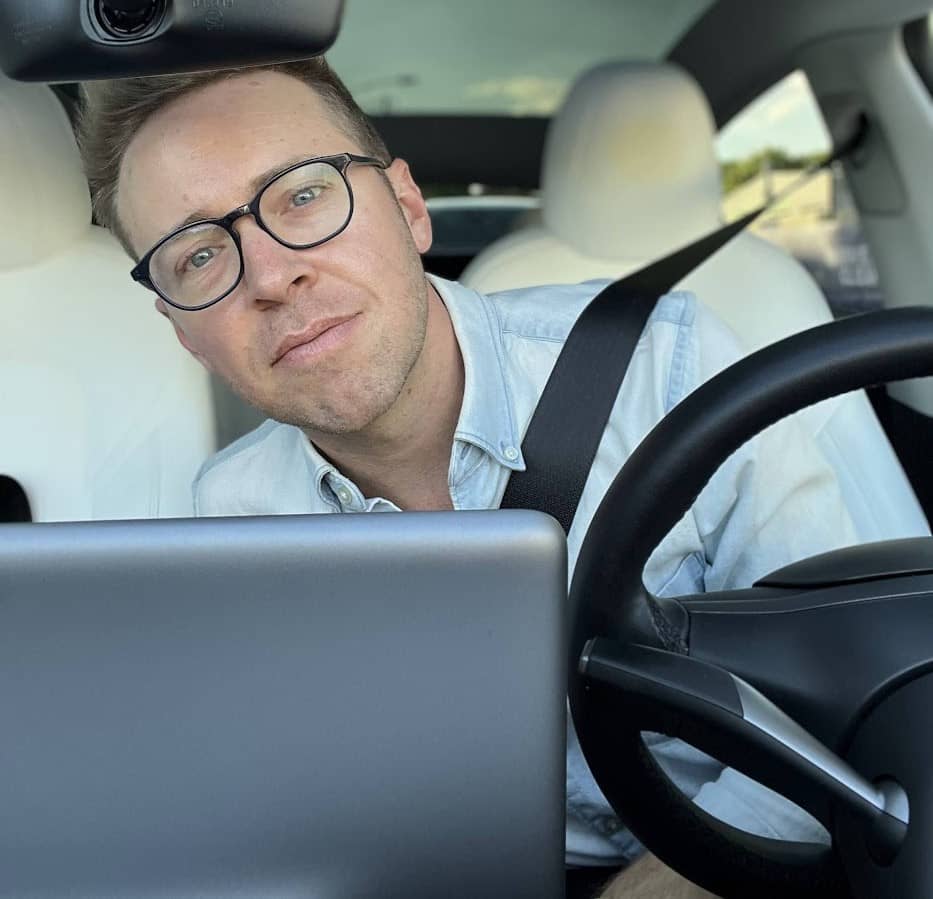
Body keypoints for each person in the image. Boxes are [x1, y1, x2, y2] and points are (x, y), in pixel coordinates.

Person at [78, 57, 860, 898]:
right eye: (197, 256)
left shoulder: (670, 369)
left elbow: (842, 709)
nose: (271, 278)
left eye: (303, 195)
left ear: (408, 208)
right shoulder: (229, 510)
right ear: (181, 330)